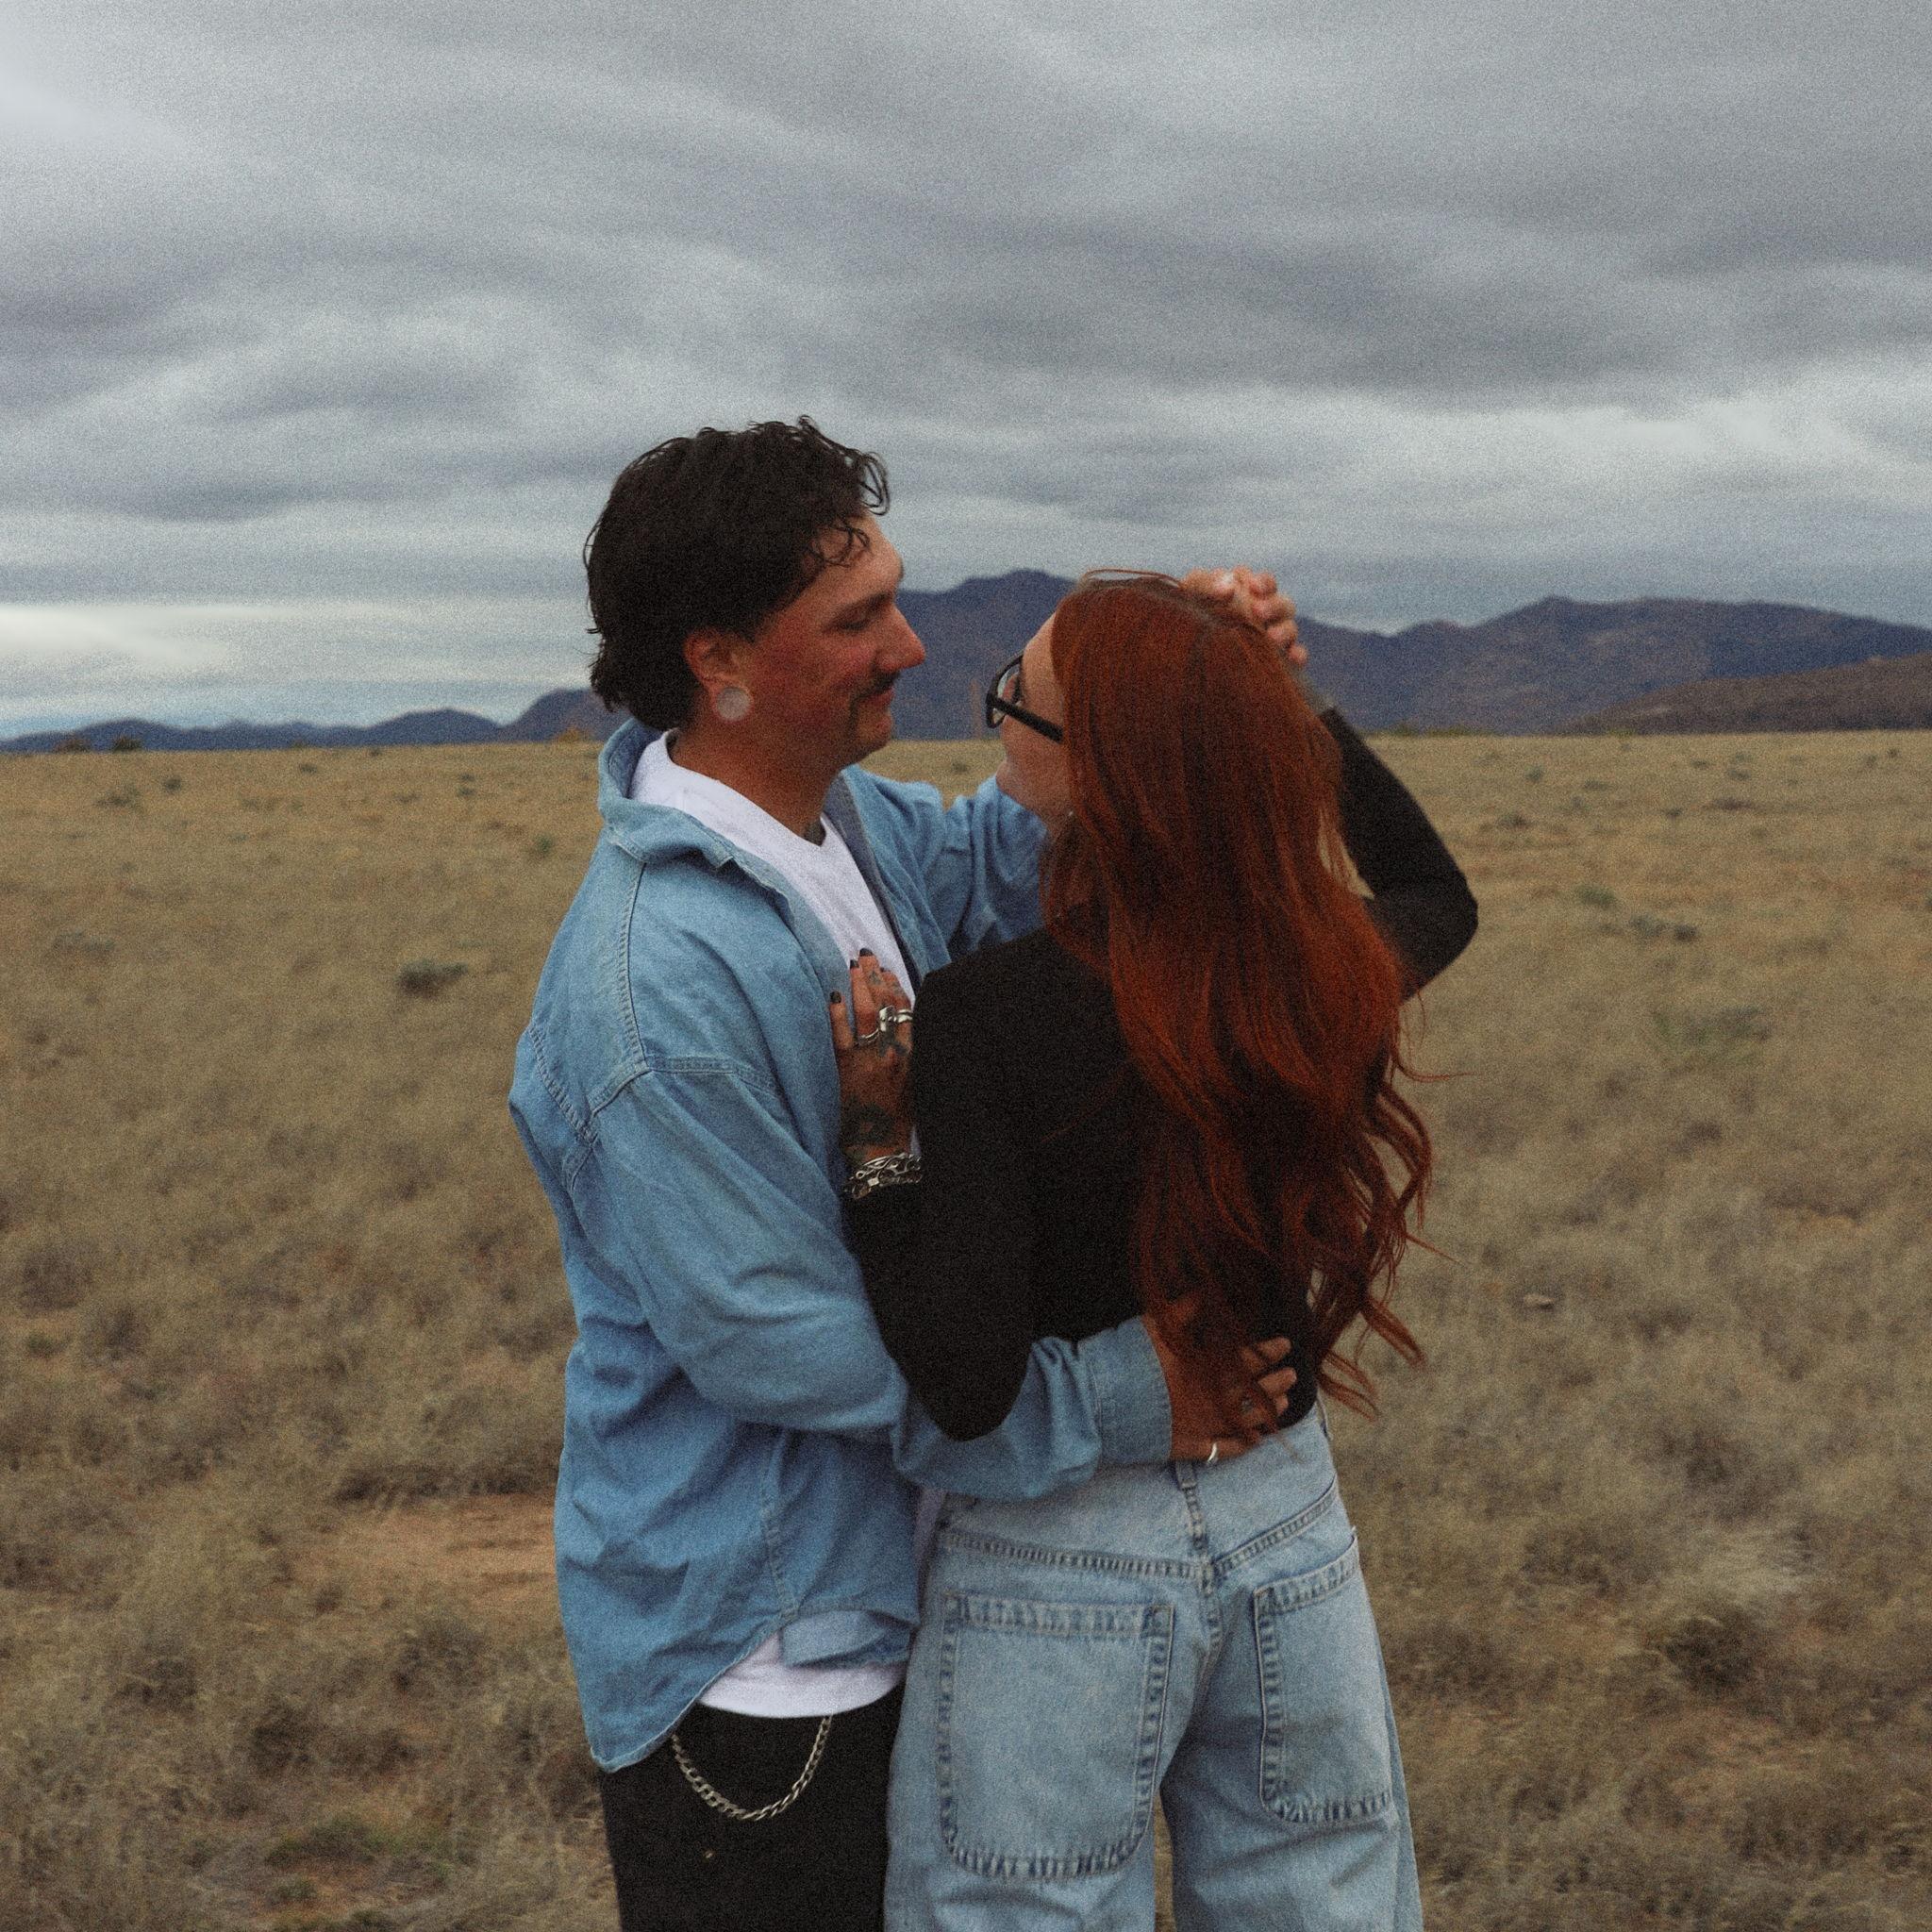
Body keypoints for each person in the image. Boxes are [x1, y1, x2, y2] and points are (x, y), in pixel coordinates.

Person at [508, 421, 1300, 1932]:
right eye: (858, 619)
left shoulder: (842, 822)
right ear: (720, 662)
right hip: (770, 1664)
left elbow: (1009, 857)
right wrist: (1120, 1398)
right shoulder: (655, 988)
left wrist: (1164, 672)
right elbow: (781, 1347)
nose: (912, 646)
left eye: (895, 598)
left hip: (900, 1585)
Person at [827, 571, 1478, 1930]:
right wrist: (1281, 701)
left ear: (1104, 778)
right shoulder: (1310, 973)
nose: (993, 725)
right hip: (1286, 1515)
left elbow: (965, 1378)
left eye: (1016, 704)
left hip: (1057, 1562)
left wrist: (879, 1137)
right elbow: (1435, 891)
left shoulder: (983, 1021)